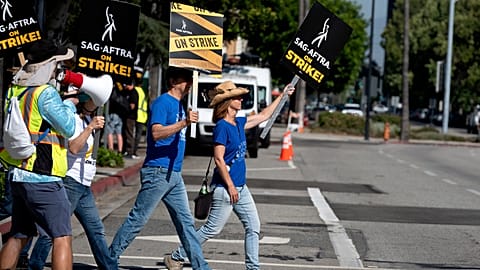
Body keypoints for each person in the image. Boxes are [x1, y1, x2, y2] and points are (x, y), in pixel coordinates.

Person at [164, 81, 295, 270]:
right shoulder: (222, 127)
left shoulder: (239, 122)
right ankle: (177, 256)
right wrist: (231, 186)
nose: (241, 99)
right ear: (227, 102)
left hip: (241, 188)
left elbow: (264, 115)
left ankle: (253, 268)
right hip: (226, 189)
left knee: (253, 227)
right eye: (237, 97)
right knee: (212, 229)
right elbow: (218, 159)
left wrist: (283, 95)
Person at [109, 66, 210, 270]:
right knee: (138, 218)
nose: (190, 84)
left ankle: (201, 266)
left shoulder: (181, 106)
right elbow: (156, 133)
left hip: (174, 173)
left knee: (186, 224)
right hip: (158, 171)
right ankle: (109, 258)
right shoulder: (163, 103)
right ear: (173, 81)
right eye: (186, 80)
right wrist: (184, 123)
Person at [0, 39, 78, 269]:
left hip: (19, 173)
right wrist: (70, 104)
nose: (60, 69)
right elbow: (68, 128)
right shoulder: (46, 94)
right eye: (57, 64)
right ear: (49, 65)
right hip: (43, 175)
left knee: (19, 234)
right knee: (62, 236)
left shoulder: (15, 89)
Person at [28, 96, 118, 269]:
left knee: (95, 229)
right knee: (52, 230)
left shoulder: (90, 120)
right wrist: (90, 127)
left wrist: (92, 125)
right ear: (85, 102)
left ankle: (109, 267)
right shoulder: (75, 121)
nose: (98, 103)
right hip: (71, 181)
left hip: (84, 185)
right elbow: (74, 147)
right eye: (93, 99)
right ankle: (34, 264)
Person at [106, 84, 127, 153]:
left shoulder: (112, 90)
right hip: (120, 114)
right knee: (119, 133)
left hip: (112, 113)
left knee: (109, 132)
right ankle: (120, 150)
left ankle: (110, 150)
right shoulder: (122, 90)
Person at [122, 81, 139, 159]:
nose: (125, 86)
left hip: (131, 117)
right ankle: (126, 150)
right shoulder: (127, 92)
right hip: (128, 116)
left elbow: (132, 106)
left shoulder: (133, 93)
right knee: (126, 133)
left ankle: (130, 151)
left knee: (129, 134)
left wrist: (126, 108)